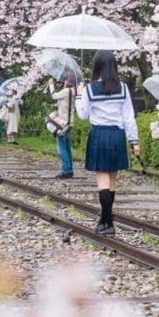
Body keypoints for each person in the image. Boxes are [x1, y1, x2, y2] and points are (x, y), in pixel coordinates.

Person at [75, 50, 139, 237]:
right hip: (117, 136)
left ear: (97, 66)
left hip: (100, 134)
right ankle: (105, 221)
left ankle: (108, 222)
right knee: (111, 181)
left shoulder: (90, 89)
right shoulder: (124, 88)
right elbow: (129, 117)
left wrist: (79, 95)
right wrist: (134, 141)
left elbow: (83, 115)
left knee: (102, 180)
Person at [51, 75, 76, 178]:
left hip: (62, 123)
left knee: (62, 147)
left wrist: (51, 85)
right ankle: (69, 168)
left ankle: (66, 170)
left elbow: (54, 96)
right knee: (67, 147)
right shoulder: (73, 91)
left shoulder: (66, 91)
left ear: (68, 81)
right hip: (69, 122)